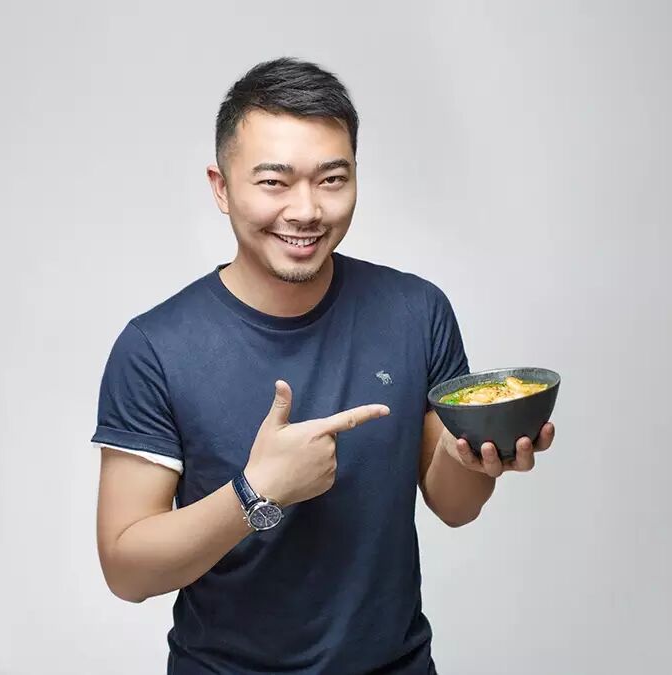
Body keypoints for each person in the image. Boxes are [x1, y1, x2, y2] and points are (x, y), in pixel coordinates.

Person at [91, 56, 555, 674]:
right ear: (221, 187)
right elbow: (126, 570)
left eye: (332, 179)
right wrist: (257, 492)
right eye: (274, 182)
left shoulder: (416, 311)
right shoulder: (155, 347)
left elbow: (455, 505)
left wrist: (473, 453)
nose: (306, 210)